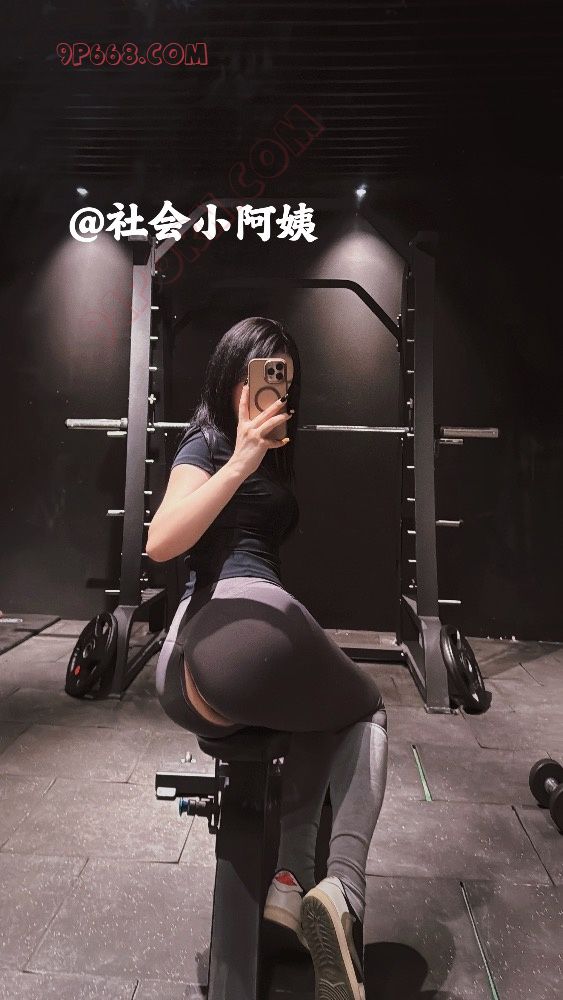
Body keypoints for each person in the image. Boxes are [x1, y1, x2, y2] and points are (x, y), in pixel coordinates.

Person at [150, 317, 388, 1000]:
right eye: (260, 372)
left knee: (317, 713)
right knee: (367, 709)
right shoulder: (205, 443)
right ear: (232, 376)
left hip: (198, 673)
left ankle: (288, 883)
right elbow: (161, 543)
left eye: (283, 378)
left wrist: (257, 459)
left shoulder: (271, 454)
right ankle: (342, 887)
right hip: (225, 629)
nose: (270, 389)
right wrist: (239, 462)